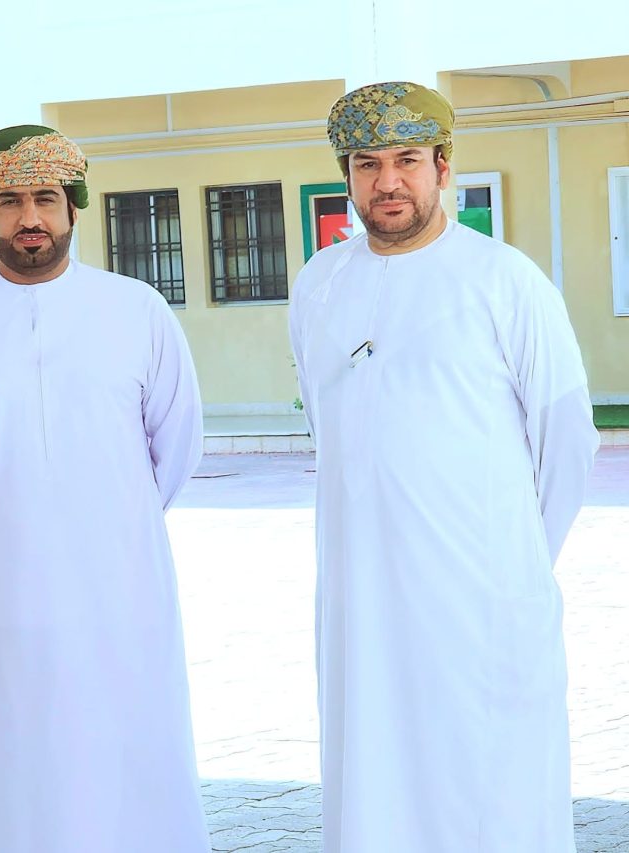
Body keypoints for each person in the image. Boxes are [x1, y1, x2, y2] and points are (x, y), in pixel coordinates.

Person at [289, 82, 599, 853]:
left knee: (488, 790)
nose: (387, 181)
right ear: (347, 174)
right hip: (360, 598)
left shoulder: (504, 280)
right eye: (367, 163)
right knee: (374, 779)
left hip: (479, 601)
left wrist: (510, 565)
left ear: (443, 166)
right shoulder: (319, 284)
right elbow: (330, 430)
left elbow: (566, 439)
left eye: (406, 159)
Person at [0, 125, 211, 853]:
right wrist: (0, 520)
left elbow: (176, 443)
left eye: (45, 198)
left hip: (119, 582)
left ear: (74, 206)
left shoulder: (136, 311)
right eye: (9, 201)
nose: (28, 218)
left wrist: (108, 518)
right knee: (12, 750)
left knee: (131, 743)